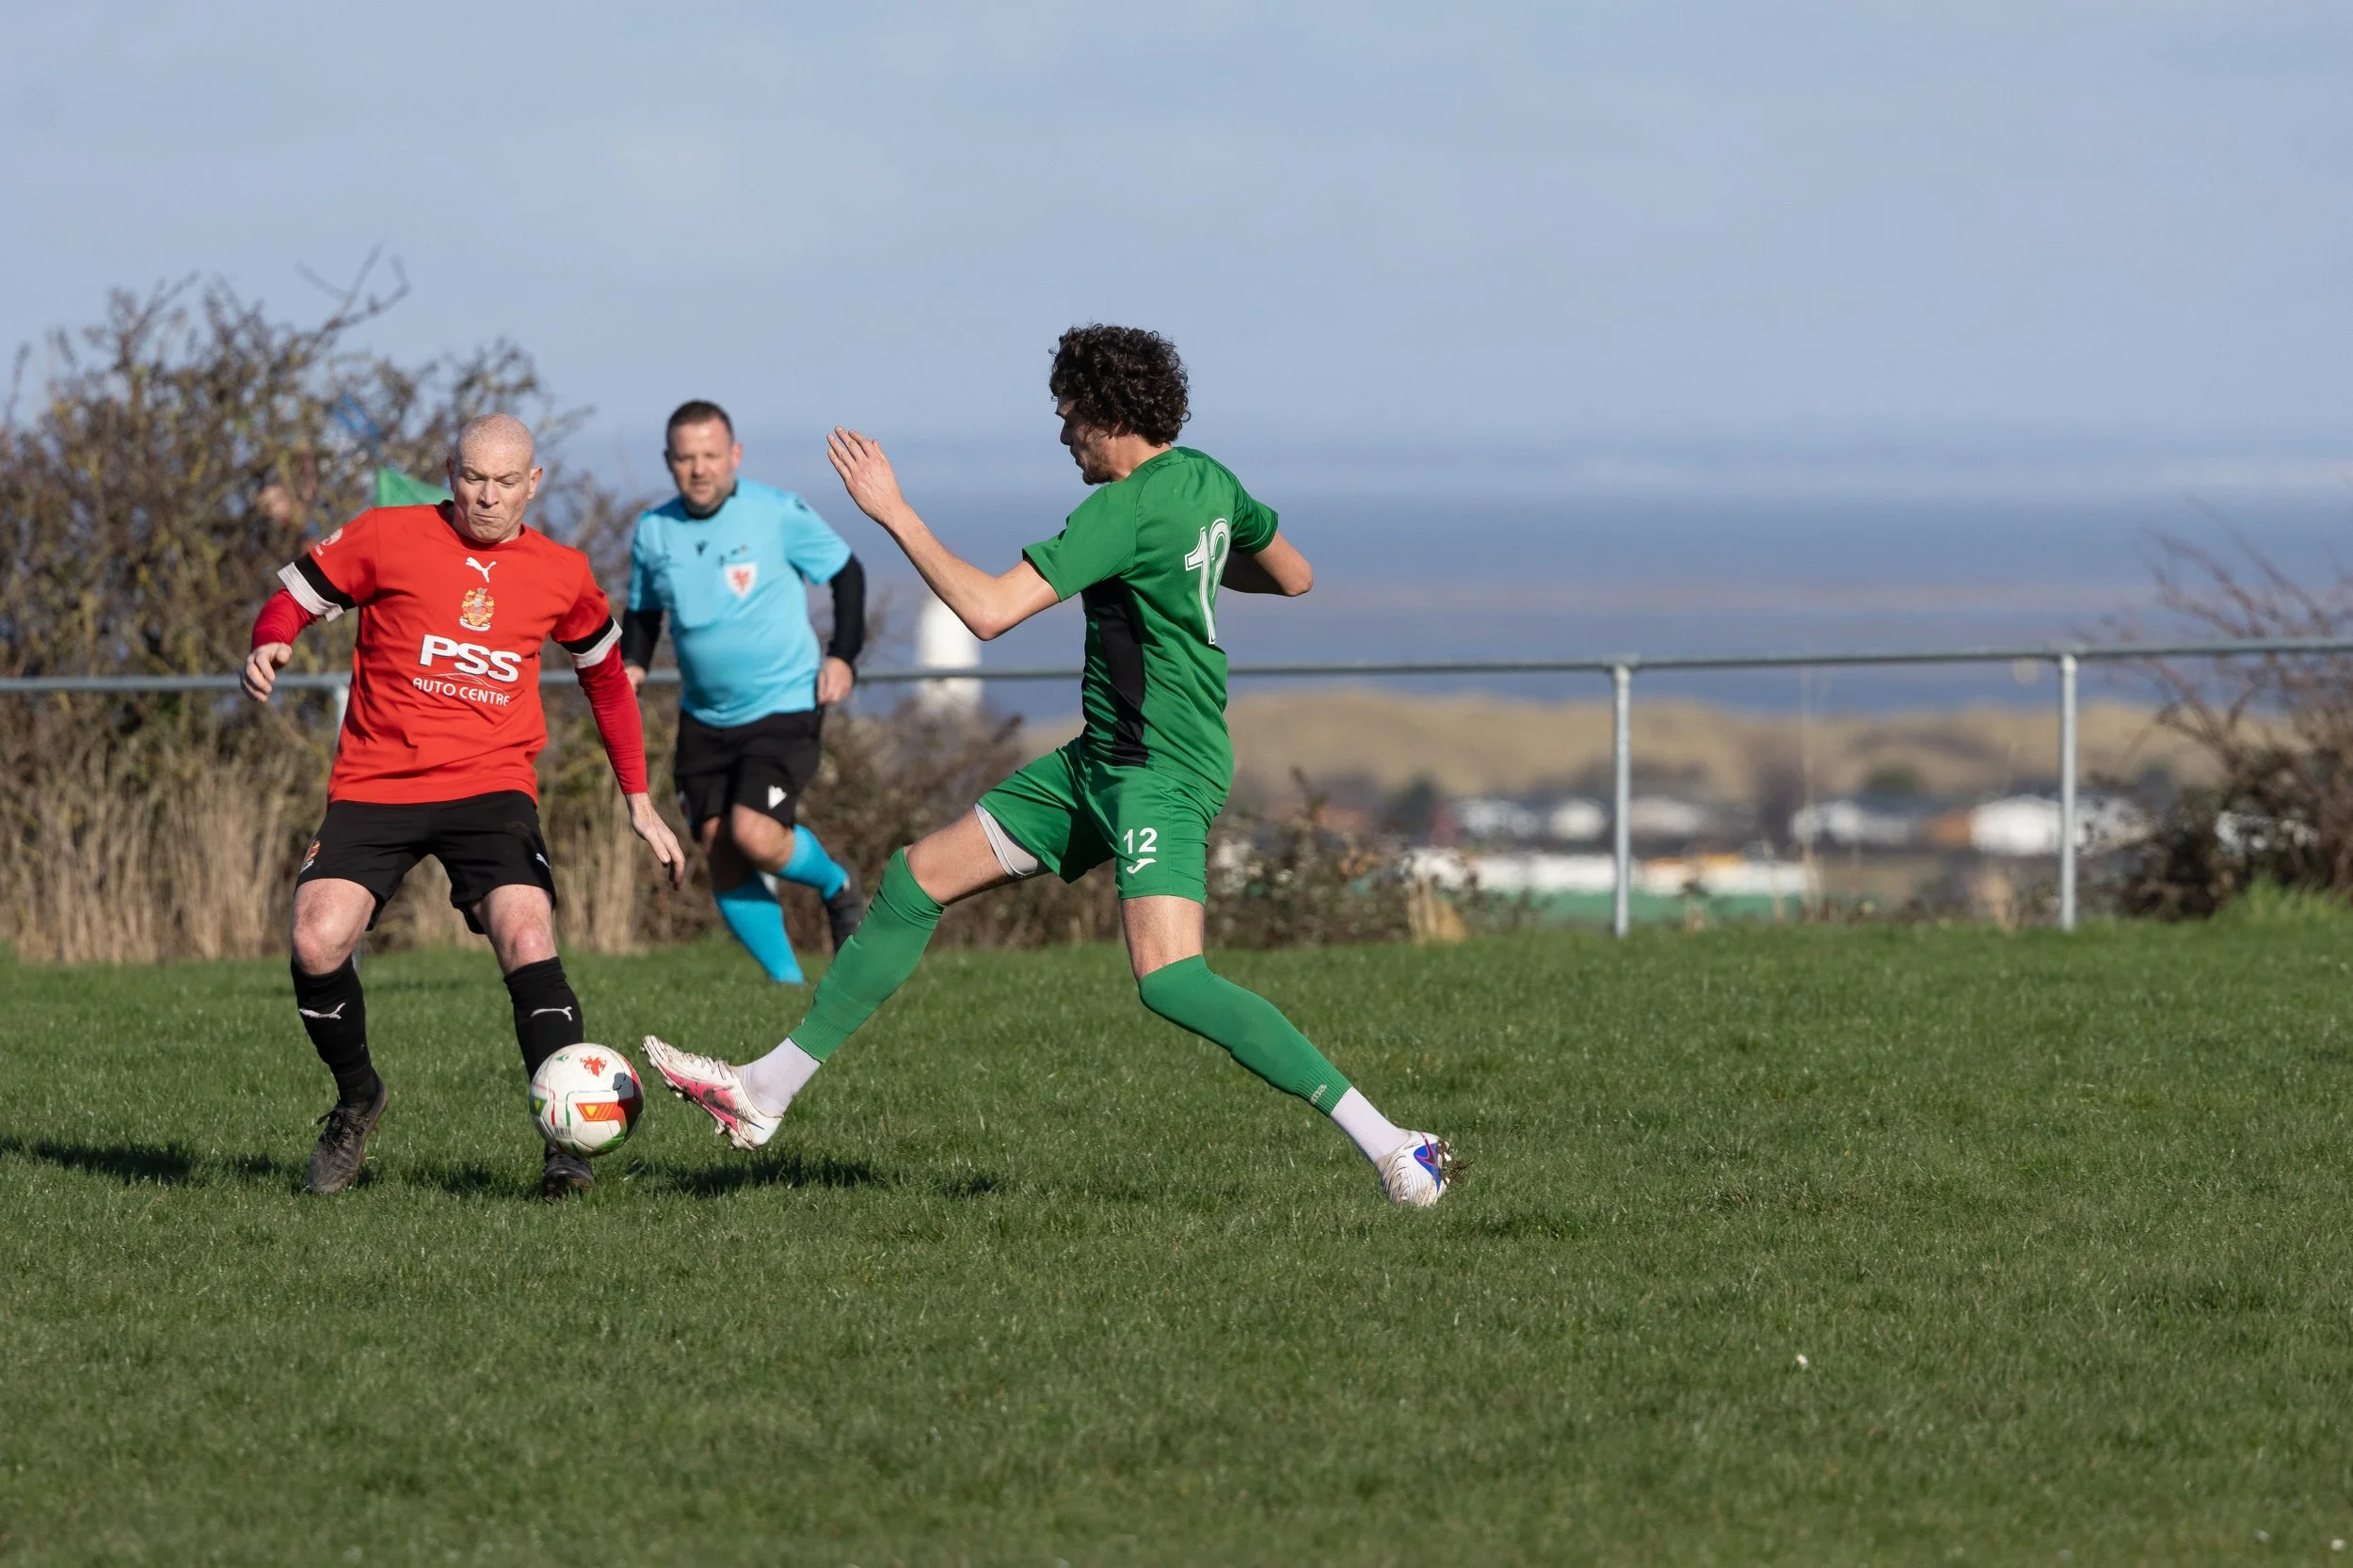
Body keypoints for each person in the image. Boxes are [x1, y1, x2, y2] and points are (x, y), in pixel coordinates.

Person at [645, 327, 1457, 1207]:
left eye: (1069, 419)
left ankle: (1396, 1151)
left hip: (1159, 772)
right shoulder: (1207, 479)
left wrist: (895, 512)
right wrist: (1195, 571)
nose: (1063, 435)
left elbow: (989, 612)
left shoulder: (1119, 511)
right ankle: (765, 1093)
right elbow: (1293, 575)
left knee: (1173, 981)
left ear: (1110, 419)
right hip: (1096, 763)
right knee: (914, 880)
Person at [244, 414, 685, 1199]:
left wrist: (639, 798)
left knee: (526, 931)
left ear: (533, 483)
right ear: (451, 471)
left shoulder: (561, 571)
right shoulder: (386, 535)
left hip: (491, 786)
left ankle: (565, 1148)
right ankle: (357, 1100)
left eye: (505, 483)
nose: (486, 497)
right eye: (472, 478)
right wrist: (271, 638)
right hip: (377, 783)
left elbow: (608, 679)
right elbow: (296, 595)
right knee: (316, 941)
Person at [620, 401, 868, 984]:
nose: (699, 469)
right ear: (669, 462)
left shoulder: (776, 512)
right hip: (704, 716)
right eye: (685, 458)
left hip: (784, 704)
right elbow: (642, 612)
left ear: (734, 455)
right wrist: (631, 663)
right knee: (718, 845)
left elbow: (846, 572)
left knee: (753, 833)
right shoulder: (654, 531)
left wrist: (843, 655)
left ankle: (837, 884)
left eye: (710, 455)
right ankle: (787, 987)